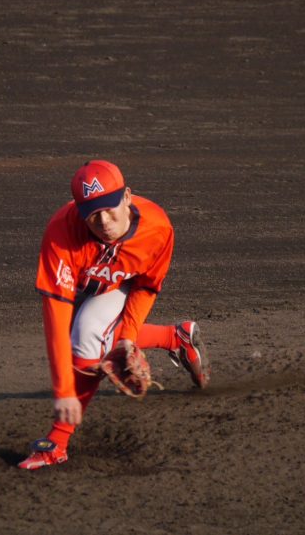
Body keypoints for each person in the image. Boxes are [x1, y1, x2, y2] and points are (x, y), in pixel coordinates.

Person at [18, 159, 209, 470]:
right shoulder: (61, 235)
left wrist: (128, 338)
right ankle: (176, 337)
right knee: (80, 335)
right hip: (80, 288)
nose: (104, 220)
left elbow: (146, 288)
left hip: (119, 286)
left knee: (87, 338)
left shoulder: (158, 229)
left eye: (110, 207)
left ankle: (58, 442)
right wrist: (63, 390)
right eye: (93, 213)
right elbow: (55, 316)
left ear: (128, 197)